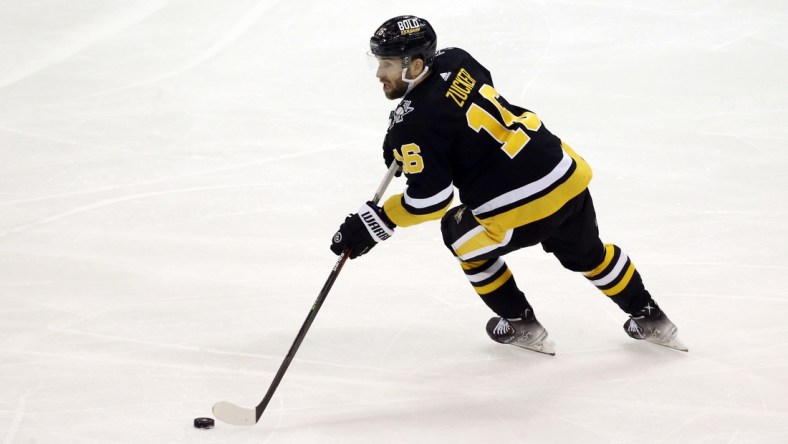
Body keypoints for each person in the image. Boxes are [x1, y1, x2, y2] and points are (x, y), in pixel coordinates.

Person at [330, 15, 686, 354]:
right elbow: (463, 110)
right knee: (589, 254)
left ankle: (520, 324)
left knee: (458, 236)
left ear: (416, 66)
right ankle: (651, 317)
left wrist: (376, 221)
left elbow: (431, 200)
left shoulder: (412, 127)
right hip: (562, 172)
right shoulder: (458, 58)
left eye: (388, 64)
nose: (379, 73)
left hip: (517, 206)